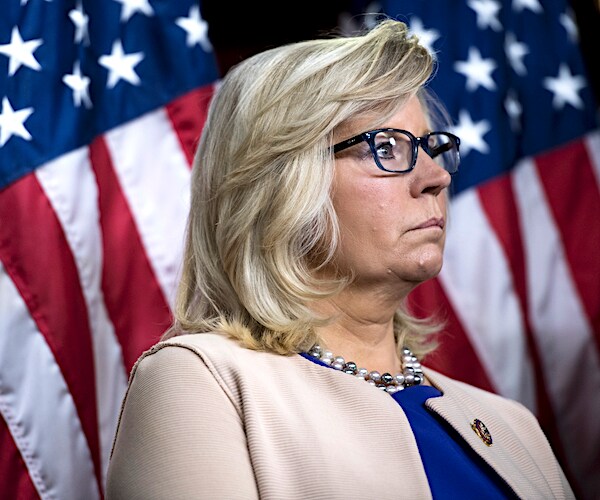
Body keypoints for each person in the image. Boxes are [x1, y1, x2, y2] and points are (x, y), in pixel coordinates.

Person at [105, 18, 574, 499]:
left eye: (431, 147)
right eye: (386, 147)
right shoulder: (203, 382)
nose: (437, 177)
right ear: (278, 186)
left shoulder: (515, 428)